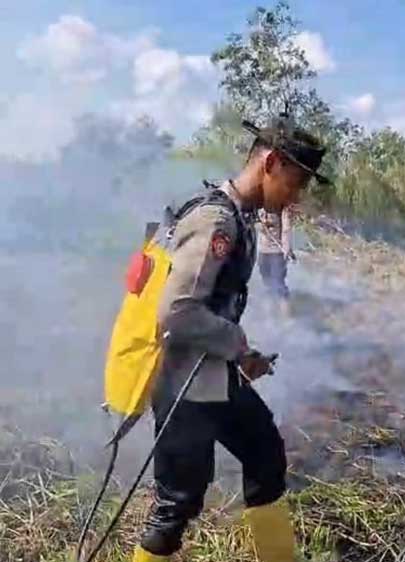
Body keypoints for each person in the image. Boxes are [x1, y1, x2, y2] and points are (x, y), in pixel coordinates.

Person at [131, 115, 329, 562]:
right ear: (271, 163)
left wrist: (242, 356)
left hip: (216, 380)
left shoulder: (241, 218)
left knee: (265, 456)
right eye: (295, 184)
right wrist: (236, 344)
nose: (296, 197)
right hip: (184, 388)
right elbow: (176, 312)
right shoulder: (216, 221)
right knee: (176, 507)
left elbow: (210, 308)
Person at [257, 204, 295, 312]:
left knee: (279, 286)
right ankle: (270, 317)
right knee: (269, 285)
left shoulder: (283, 208)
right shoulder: (260, 206)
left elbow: (286, 230)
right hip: (263, 251)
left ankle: (286, 320)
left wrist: (287, 250)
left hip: (277, 253)